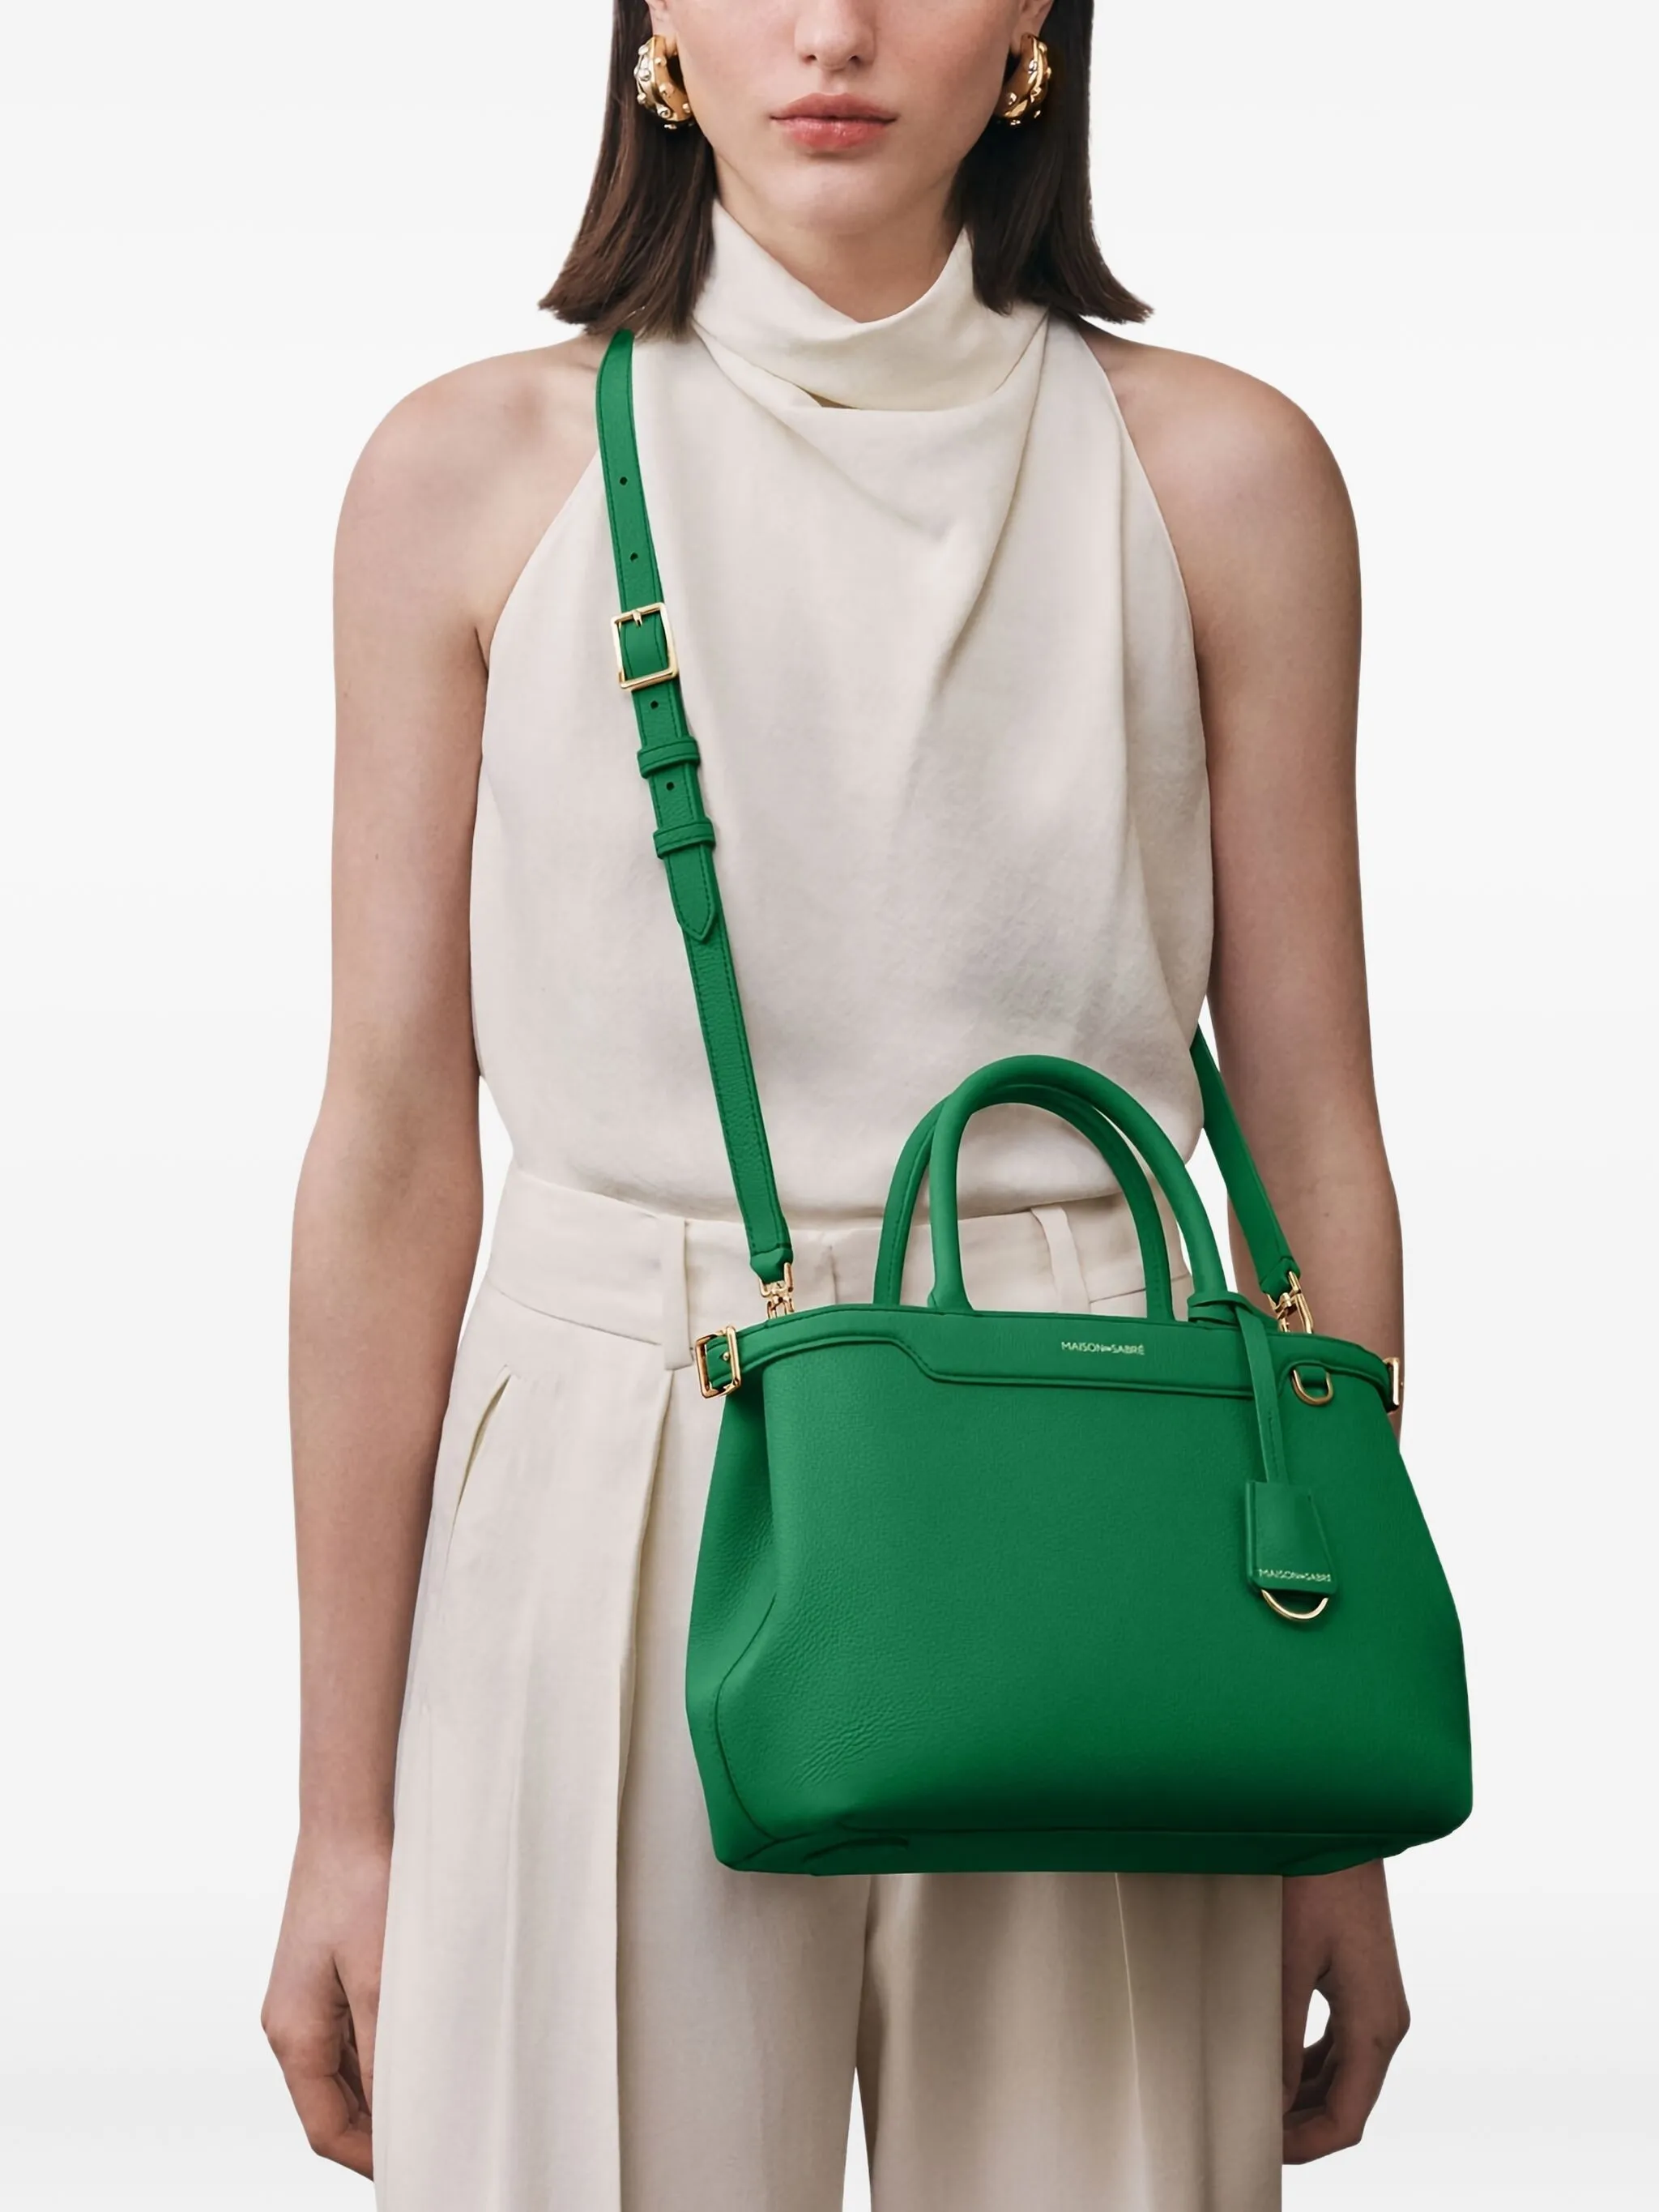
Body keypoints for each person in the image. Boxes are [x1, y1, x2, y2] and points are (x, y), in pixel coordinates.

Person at [260, 2, 1414, 2205]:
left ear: (1041, 30)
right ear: (655, 33)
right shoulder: (467, 473)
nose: (833, 27)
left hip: (1106, 1474)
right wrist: (342, 1813)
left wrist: (1324, 1785)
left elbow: (1315, 1133)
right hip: (610, 1469)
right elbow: (393, 1151)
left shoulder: (1225, 476)